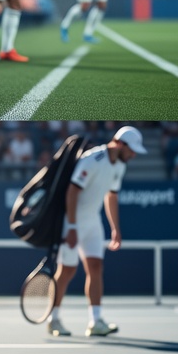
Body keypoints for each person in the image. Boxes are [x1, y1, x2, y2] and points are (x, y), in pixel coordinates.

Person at [49, 125, 147, 337]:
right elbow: (72, 192)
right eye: (132, 150)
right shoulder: (92, 160)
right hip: (71, 222)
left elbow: (111, 196)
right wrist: (73, 226)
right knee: (67, 270)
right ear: (120, 144)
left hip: (93, 221)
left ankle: (95, 321)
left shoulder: (120, 165)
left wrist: (115, 229)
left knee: (96, 267)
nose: (134, 155)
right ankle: (53, 319)